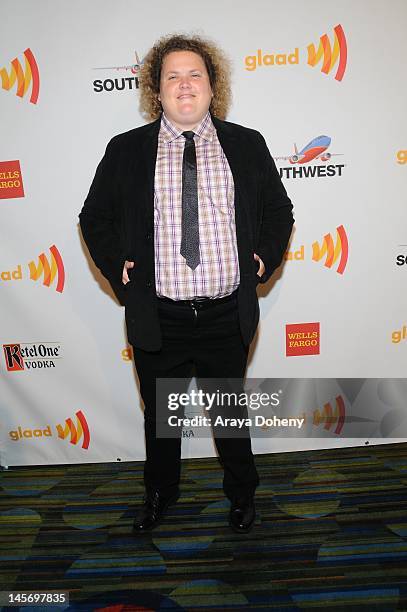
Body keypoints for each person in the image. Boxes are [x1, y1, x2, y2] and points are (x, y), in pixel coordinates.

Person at [79, 33, 294, 534]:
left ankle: (242, 496)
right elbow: (94, 218)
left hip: (225, 315)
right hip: (160, 315)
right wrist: (119, 269)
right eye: (171, 75)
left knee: (229, 416)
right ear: (156, 90)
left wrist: (262, 258)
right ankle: (161, 495)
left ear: (211, 85)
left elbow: (279, 211)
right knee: (162, 418)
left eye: (194, 73)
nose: (184, 84)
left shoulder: (247, 144)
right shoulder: (127, 150)